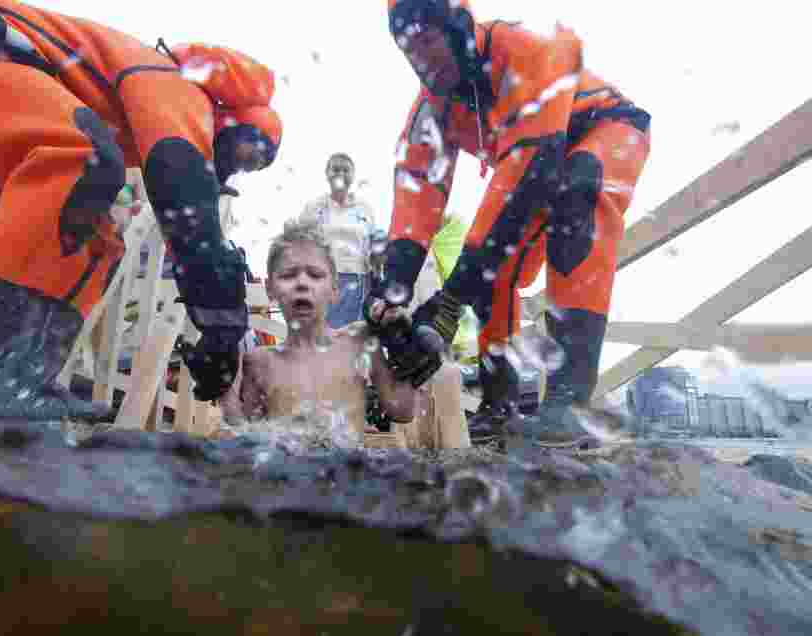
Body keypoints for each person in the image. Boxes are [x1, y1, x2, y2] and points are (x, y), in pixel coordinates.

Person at [0, 0, 283, 425]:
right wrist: (222, 323)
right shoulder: (178, 86)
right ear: (229, 121)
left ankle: (15, 379)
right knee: (84, 159)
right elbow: (181, 190)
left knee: (91, 233)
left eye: (253, 167)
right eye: (246, 154)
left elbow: (181, 204)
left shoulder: (148, 99)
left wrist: (218, 314)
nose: (238, 168)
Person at [368, 0, 651, 446]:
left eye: (426, 41)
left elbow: (532, 167)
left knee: (579, 194)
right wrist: (392, 293)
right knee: (490, 271)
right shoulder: (432, 109)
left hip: (602, 130)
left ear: (458, 28)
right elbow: (414, 201)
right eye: (407, 48)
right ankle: (499, 404)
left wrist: (447, 303)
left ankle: (570, 399)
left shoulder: (524, 47)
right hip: (530, 165)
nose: (419, 60)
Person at [220, 219, 418, 446]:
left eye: (315, 275)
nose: (302, 283)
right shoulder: (259, 361)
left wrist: (408, 355)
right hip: (288, 476)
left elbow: (402, 410)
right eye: (288, 275)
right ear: (270, 290)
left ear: (335, 290)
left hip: (349, 474)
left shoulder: (359, 341)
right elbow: (247, 439)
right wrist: (225, 387)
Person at [299, 153, 377, 328]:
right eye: (335, 169)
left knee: (353, 338)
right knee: (322, 337)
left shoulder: (365, 208)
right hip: (322, 281)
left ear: (353, 175)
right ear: (327, 173)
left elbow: (374, 246)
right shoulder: (314, 207)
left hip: (358, 283)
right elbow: (300, 243)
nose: (340, 173)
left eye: (346, 170)